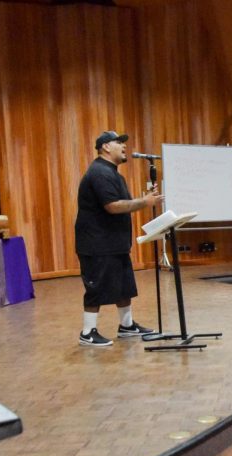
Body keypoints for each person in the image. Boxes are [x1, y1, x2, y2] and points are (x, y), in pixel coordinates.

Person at [75, 130, 162, 347]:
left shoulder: (114, 174)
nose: (124, 146)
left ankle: (126, 325)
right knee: (96, 289)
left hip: (114, 243)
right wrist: (144, 202)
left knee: (124, 286)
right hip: (97, 244)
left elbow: (124, 202)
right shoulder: (99, 173)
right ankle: (87, 332)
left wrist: (144, 199)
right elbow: (112, 206)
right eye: (119, 142)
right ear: (105, 147)